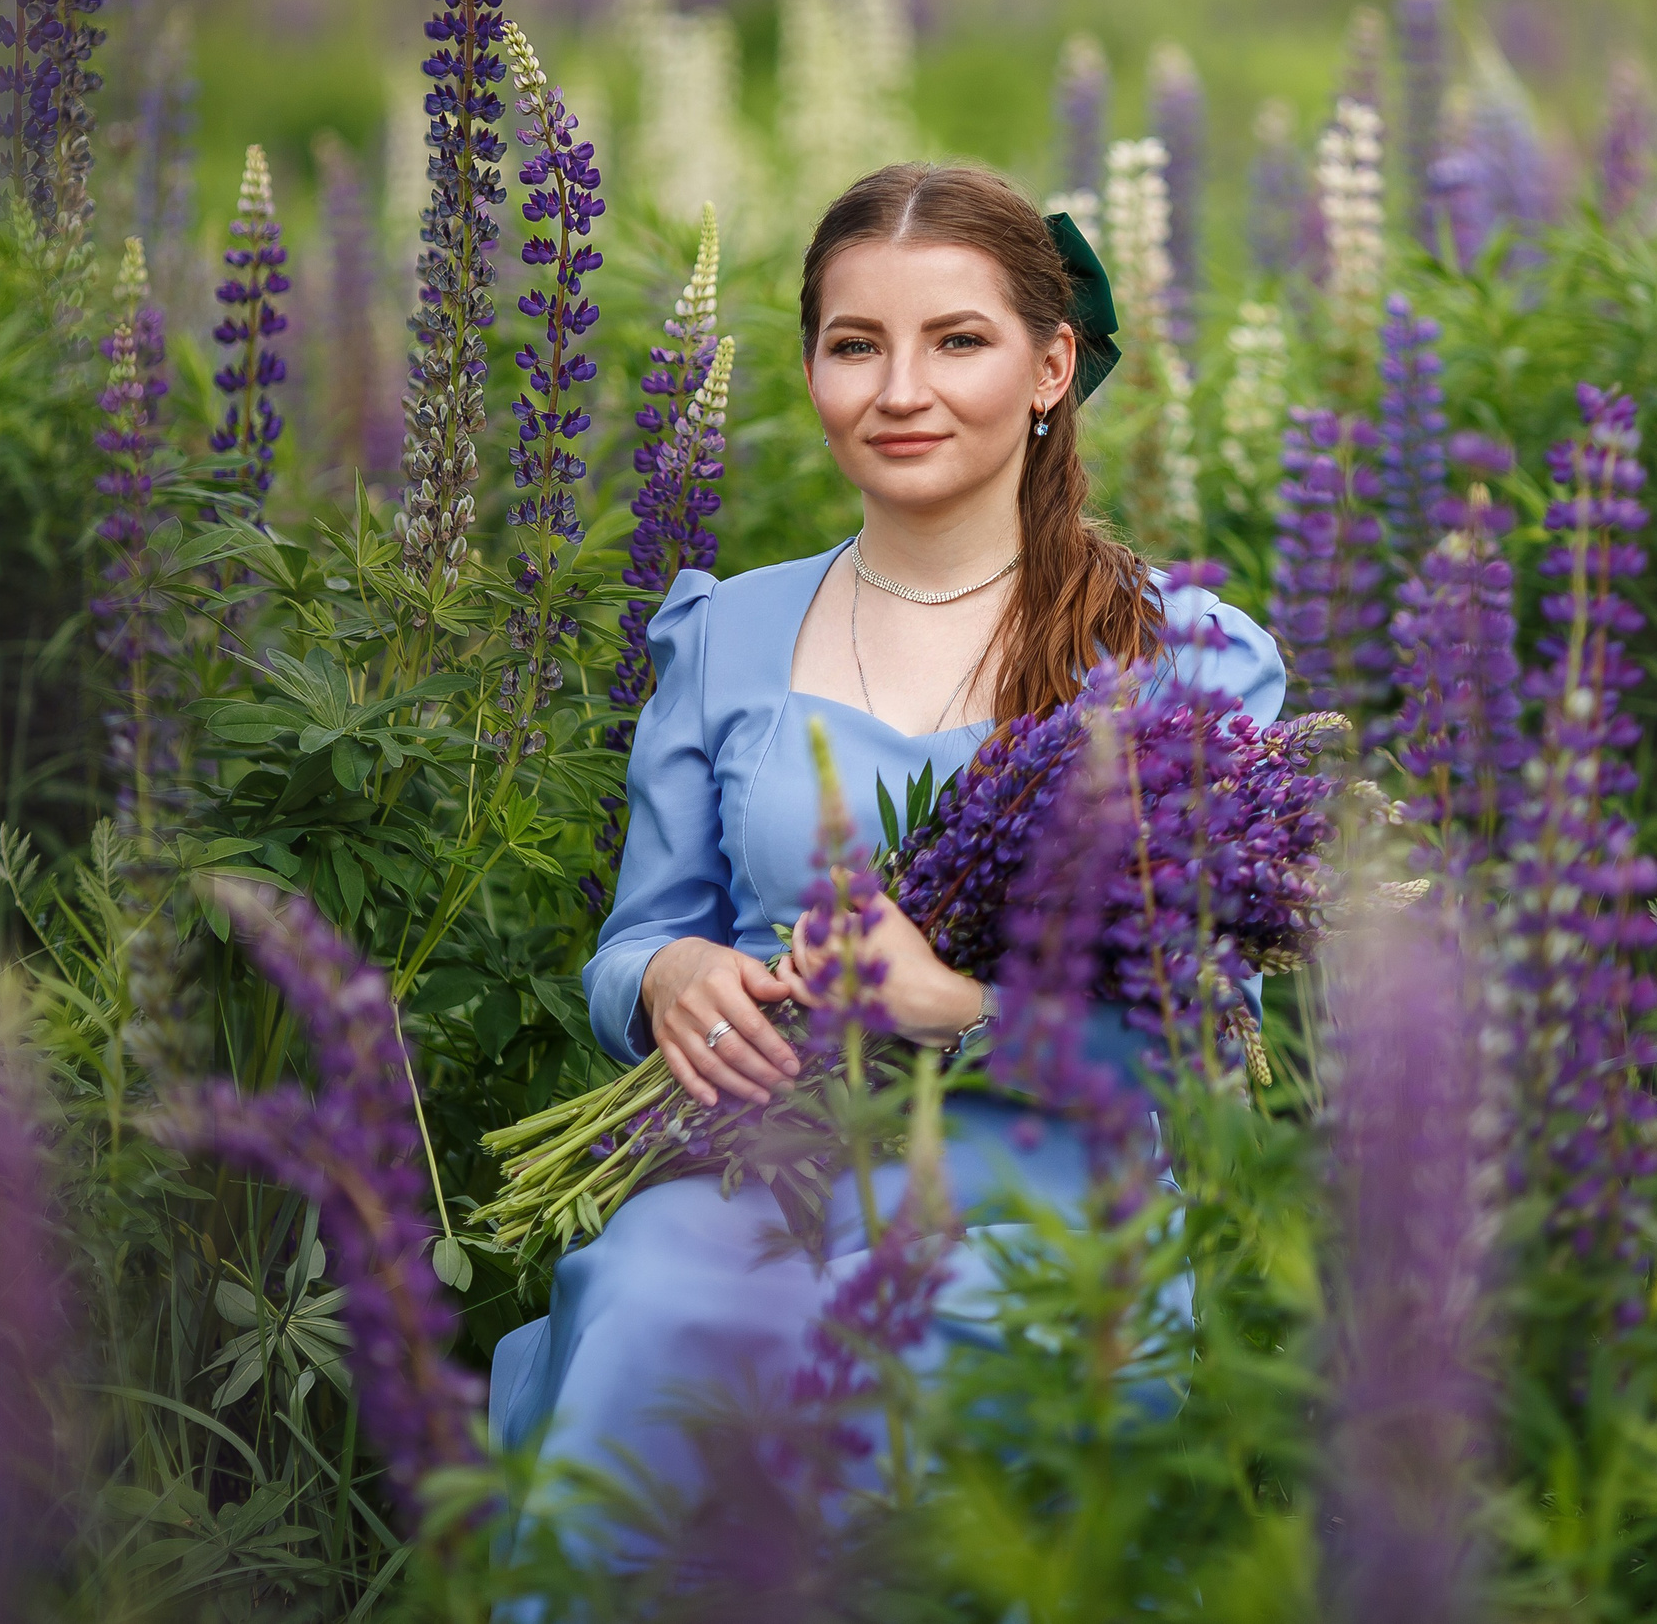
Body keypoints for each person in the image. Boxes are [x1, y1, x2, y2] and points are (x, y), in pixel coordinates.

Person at [487, 162, 1285, 1507]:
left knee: (905, 1356)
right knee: (646, 1306)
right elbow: (635, 948)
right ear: (811, 373)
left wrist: (962, 1005)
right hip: (765, 1172)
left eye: (956, 340)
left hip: (1043, 1189)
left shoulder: (1183, 661)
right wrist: (671, 985)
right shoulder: (725, 631)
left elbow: (1214, 1031)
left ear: (1050, 366)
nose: (899, 389)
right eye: (856, 345)